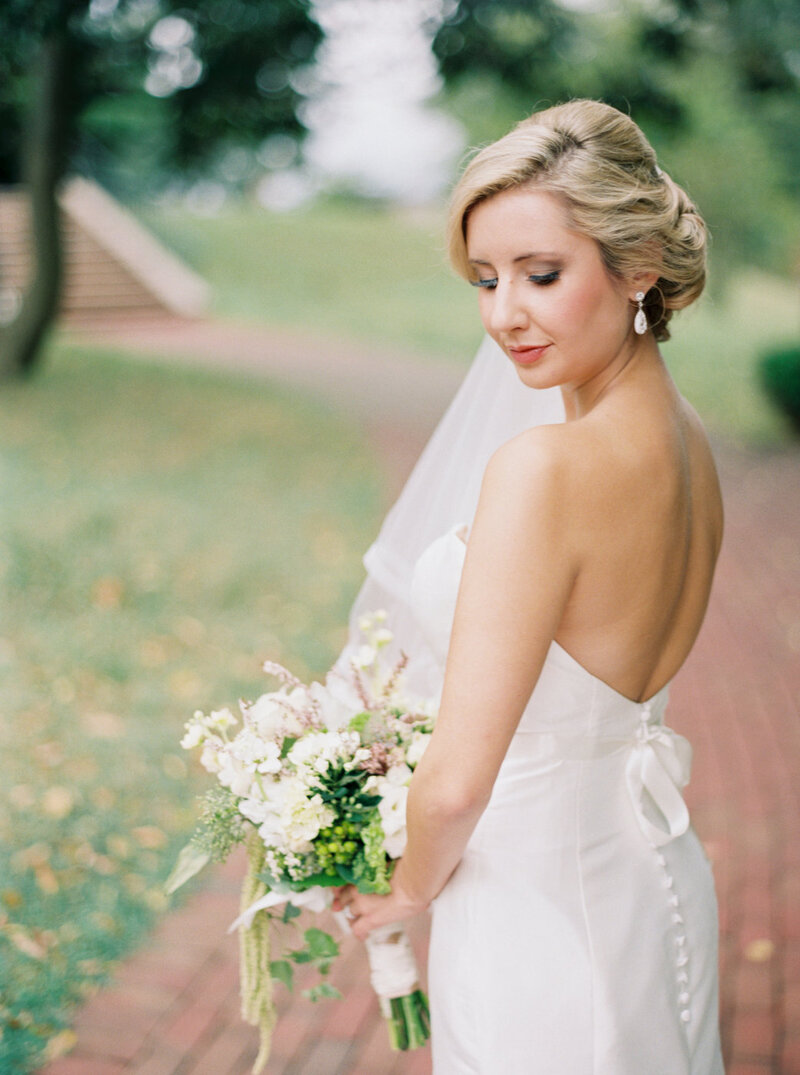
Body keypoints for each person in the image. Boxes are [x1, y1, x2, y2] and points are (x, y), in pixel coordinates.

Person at [334, 99, 725, 1073]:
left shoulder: (542, 470)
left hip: (534, 918)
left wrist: (407, 889)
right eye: (485, 278)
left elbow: (460, 777)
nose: (503, 312)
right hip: (652, 886)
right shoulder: (692, 451)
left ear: (636, 265)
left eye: (540, 274)